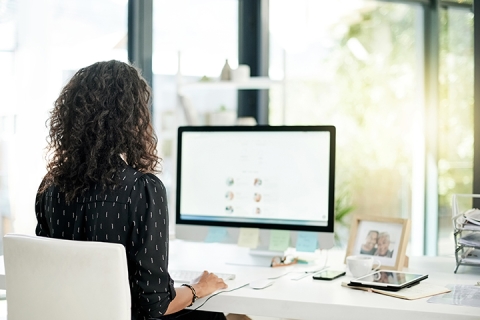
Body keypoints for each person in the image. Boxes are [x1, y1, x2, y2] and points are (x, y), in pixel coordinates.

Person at [35, 60, 228, 320]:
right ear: (132, 119)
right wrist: (198, 288)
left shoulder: (50, 188)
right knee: (217, 315)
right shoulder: (142, 189)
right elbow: (155, 306)